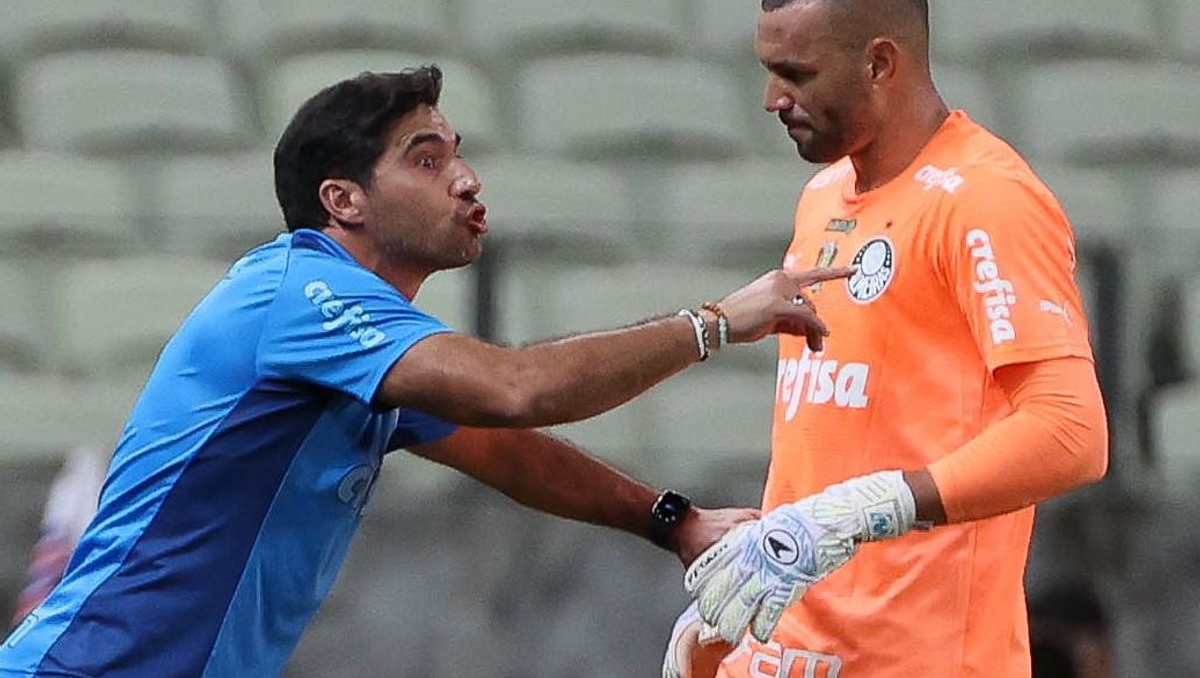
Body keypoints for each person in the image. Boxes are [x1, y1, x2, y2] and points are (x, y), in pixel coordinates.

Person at [0, 67, 852, 678]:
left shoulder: (368, 350)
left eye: (458, 152)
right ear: (344, 200)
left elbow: (507, 446)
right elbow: (517, 390)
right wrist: (711, 323)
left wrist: (672, 520)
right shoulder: (300, 290)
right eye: (426, 158)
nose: (467, 178)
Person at [663, 0, 1109, 677]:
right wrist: (740, 636)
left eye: (795, 75)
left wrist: (874, 507)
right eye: (770, 73)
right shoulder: (823, 194)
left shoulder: (985, 197)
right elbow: (843, 436)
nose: (773, 100)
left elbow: (1071, 430)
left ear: (879, 62)